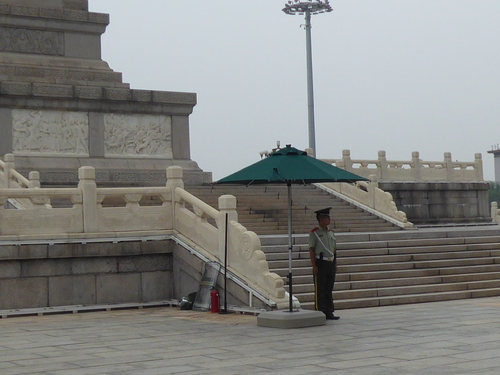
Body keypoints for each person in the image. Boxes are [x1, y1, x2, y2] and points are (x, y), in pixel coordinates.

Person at [309, 207, 339, 320]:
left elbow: (334, 249)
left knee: (329, 288)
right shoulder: (315, 233)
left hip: (330, 262)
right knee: (320, 288)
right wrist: (314, 265)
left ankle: (329, 311)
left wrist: (335, 263)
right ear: (321, 220)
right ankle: (320, 310)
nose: (329, 220)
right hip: (320, 262)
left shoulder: (331, 233)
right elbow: (311, 250)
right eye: (327, 218)